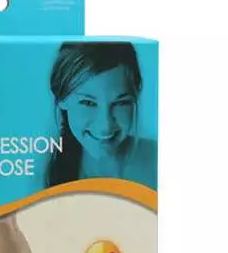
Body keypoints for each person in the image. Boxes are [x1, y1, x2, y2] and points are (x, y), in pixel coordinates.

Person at [47, 42, 157, 189]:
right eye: (88, 103)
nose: (105, 125)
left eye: (120, 103)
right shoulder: (39, 175)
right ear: (62, 98)